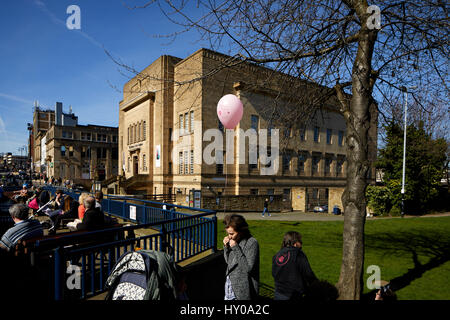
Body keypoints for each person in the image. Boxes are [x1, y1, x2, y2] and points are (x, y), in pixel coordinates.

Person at [272, 231, 317, 301]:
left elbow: (274, 273)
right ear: (295, 243)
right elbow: (308, 274)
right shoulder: (298, 254)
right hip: (293, 295)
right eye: (300, 242)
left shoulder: (277, 255)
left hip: (278, 293)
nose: (301, 244)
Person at [223, 214, 259, 300]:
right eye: (228, 233)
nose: (229, 236)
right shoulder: (234, 240)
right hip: (229, 287)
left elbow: (248, 268)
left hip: (242, 292)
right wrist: (226, 247)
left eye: (232, 233)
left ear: (241, 231)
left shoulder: (252, 243)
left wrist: (236, 248)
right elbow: (228, 262)